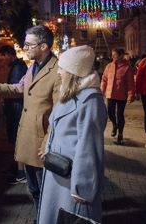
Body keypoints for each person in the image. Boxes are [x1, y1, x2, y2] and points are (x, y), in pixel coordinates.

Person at [0, 25, 59, 224]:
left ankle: (46, 220)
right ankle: (42, 219)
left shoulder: (57, 71)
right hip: (28, 136)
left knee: (45, 190)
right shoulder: (33, 66)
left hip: (42, 142)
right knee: (33, 189)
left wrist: (48, 140)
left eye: (29, 44)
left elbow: (59, 111)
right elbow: (19, 88)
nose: (25, 48)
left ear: (44, 46)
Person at [37, 45, 107, 224]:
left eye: (62, 68)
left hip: (71, 180)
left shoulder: (90, 100)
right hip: (60, 173)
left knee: (71, 218)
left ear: (74, 72)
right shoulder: (72, 94)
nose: (59, 72)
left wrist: (81, 187)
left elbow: (90, 146)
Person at [0, 45, 29, 184]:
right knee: (16, 139)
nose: (3, 62)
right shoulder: (18, 66)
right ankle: (17, 167)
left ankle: (21, 171)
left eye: (3, 58)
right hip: (15, 107)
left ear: (8, 54)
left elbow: (15, 89)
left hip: (17, 108)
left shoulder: (18, 67)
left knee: (18, 139)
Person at [100, 47, 135, 145]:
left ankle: (120, 134)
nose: (113, 57)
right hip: (110, 94)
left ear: (121, 56)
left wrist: (130, 95)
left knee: (120, 114)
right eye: (113, 55)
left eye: (115, 55)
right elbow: (104, 79)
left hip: (121, 94)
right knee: (110, 113)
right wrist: (101, 92)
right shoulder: (109, 66)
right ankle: (115, 125)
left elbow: (130, 83)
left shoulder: (127, 67)